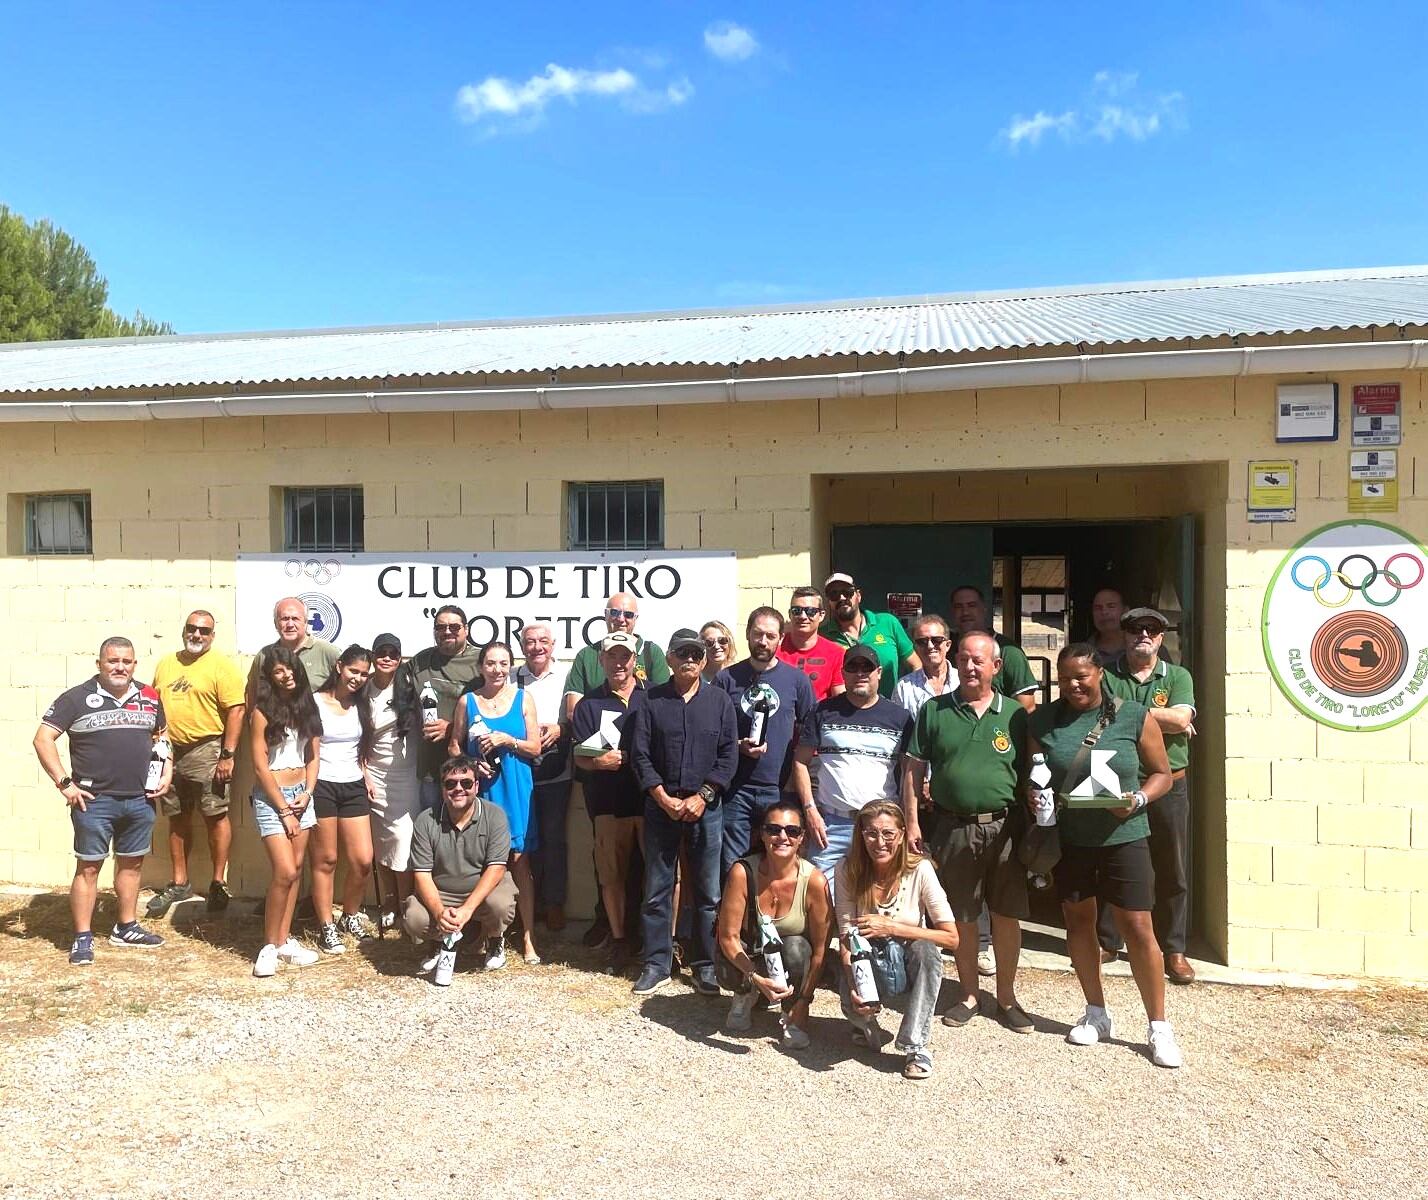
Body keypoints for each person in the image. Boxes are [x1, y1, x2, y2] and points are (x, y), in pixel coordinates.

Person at [1027, 642, 1182, 1068]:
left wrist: (1138, 800)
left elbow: (1163, 775)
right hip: (1072, 840)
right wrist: (1034, 798)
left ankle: (1158, 1026)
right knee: (1079, 923)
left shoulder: (1133, 715)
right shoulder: (1044, 720)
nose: (1073, 685)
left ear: (1100, 674)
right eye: (1064, 679)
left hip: (1124, 837)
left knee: (1138, 927)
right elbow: (1034, 776)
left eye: (1081, 676)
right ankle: (1096, 1012)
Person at [904, 633, 1033, 1033]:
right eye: (964, 659)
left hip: (1005, 828)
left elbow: (1031, 772)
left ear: (996, 666)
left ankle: (1007, 997)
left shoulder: (1016, 715)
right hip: (952, 827)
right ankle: (970, 995)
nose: (970, 667)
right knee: (961, 915)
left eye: (979, 660)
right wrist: (912, 822)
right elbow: (913, 770)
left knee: (1006, 914)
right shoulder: (934, 710)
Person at [34, 637, 171, 965]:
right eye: (112, 661)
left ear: (134, 665)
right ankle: (82, 936)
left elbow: (162, 736)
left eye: (126, 661)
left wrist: (167, 770)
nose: (119, 667)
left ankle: (126, 927)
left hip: (140, 799)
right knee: (89, 867)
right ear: (99, 664)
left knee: (132, 864)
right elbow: (42, 739)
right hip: (94, 802)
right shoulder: (76, 698)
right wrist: (64, 783)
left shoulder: (150, 696)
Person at [628, 629, 738, 997]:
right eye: (682, 653)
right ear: (670, 659)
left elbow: (728, 756)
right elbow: (640, 754)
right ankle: (657, 964)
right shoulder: (651, 700)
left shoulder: (720, 701)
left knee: (708, 893)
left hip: (706, 809)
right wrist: (661, 796)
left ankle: (705, 965)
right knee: (656, 890)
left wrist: (703, 796)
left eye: (696, 653)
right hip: (661, 808)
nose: (689, 659)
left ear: (704, 660)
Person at [1100, 607, 1199, 984]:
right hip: (1120, 781)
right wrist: (1163, 716)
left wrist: (1129, 713)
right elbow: (1102, 717)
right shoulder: (1107, 674)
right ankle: (1108, 941)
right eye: (1135, 629)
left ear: (1160, 637)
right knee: (1113, 861)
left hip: (1169, 784)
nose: (1143, 634)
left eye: (1152, 629)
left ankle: (1174, 949)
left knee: (1171, 867)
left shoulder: (1178, 676)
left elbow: (1181, 719)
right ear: (1124, 634)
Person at [835, 801, 957, 1080]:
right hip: (867, 957)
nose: (880, 842)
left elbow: (951, 938)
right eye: (871, 833)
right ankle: (864, 1019)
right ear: (861, 835)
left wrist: (892, 927)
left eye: (888, 834)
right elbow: (845, 936)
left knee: (927, 952)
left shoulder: (921, 870)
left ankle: (915, 1045)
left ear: (902, 835)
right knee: (853, 961)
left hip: (907, 956)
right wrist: (853, 985)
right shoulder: (847, 869)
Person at [790, 643, 913, 897]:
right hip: (831, 826)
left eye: (867, 668)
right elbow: (800, 762)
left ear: (879, 673)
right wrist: (810, 810)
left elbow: (910, 771)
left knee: (880, 898)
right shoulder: (822, 711)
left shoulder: (900, 718)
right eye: (853, 667)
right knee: (821, 898)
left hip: (881, 827)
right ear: (843, 673)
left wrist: (908, 821)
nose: (860, 673)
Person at [147, 610, 246, 917]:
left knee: (215, 816)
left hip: (207, 749)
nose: (197, 635)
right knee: (176, 816)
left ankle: (218, 883)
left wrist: (228, 755)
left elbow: (237, 710)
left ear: (212, 635)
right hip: (169, 751)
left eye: (204, 631)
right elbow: (154, 705)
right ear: (184, 631)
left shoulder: (221, 666)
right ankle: (180, 882)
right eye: (192, 629)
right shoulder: (166, 663)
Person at [449, 640, 542, 967]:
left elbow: (535, 747)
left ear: (510, 667)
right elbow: (454, 746)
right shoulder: (468, 701)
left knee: (520, 862)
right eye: (491, 663)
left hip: (516, 790)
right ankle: (488, 935)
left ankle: (528, 936)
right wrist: (471, 765)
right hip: (482, 793)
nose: (497, 670)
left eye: (503, 663)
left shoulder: (523, 699)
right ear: (481, 667)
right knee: (484, 863)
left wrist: (508, 740)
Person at [715, 800, 832, 1049]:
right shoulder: (742, 872)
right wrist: (755, 977)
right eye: (773, 829)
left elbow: (821, 950)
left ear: (802, 838)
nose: (782, 837)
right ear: (762, 834)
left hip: (790, 959)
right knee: (729, 957)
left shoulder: (814, 881)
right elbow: (727, 936)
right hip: (752, 955)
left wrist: (805, 1001)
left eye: (792, 831)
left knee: (798, 948)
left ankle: (791, 1010)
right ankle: (745, 992)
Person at [714, 607, 816, 879]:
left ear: (781, 638)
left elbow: (810, 732)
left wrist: (798, 778)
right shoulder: (725, 679)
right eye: (758, 634)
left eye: (770, 636)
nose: (763, 641)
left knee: (779, 864)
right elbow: (712, 733)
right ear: (747, 634)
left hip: (779, 788)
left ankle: (769, 909)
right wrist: (738, 745)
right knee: (733, 865)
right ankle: (737, 908)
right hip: (736, 789)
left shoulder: (797, 680)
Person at [570, 631, 650, 975]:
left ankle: (658, 943)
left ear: (635, 660)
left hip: (651, 802)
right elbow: (580, 755)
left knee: (657, 877)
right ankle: (619, 941)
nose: (619, 663)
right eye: (612, 656)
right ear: (601, 660)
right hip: (608, 804)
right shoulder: (589, 704)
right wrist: (598, 762)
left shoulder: (653, 697)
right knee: (611, 876)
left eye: (625, 656)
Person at [405, 755, 518, 976]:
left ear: (476, 785)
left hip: (484, 889)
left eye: (466, 783)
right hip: (442, 891)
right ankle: (438, 942)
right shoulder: (425, 820)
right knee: (415, 918)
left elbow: (496, 868)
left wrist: (467, 910)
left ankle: (495, 939)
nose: (458, 789)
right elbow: (422, 874)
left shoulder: (495, 815)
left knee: (500, 905)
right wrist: (439, 913)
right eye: (450, 784)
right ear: (442, 788)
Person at [247, 647, 322, 977]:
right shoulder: (262, 712)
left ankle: (283, 941)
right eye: (278, 671)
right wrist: (284, 810)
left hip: (301, 796)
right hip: (272, 797)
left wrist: (307, 794)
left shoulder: (307, 707)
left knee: (297, 870)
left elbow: (313, 757)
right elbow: (260, 766)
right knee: (285, 871)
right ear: (270, 677)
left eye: (290, 668)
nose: (286, 675)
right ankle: (268, 946)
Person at [310, 644, 377, 955]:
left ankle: (349, 915)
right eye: (353, 671)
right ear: (339, 667)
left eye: (364, 674)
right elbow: (307, 748)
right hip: (322, 784)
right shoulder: (315, 703)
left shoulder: (361, 705)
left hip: (353, 786)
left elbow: (360, 748)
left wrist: (366, 776)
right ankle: (326, 925)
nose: (358, 678)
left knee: (363, 860)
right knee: (326, 860)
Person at [396, 605, 482, 813]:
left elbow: (496, 710)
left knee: (469, 826)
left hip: (469, 770)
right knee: (432, 824)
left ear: (466, 629)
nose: (447, 631)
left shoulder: (481, 662)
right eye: (441, 627)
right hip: (431, 769)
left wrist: (452, 728)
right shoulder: (420, 661)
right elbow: (395, 676)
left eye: (454, 627)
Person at [516, 623, 572, 932]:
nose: (536, 647)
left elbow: (580, 716)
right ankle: (527, 904)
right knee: (523, 840)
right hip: (520, 769)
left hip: (556, 770)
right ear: (522, 646)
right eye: (530, 642)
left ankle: (554, 904)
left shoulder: (567, 677)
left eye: (543, 641)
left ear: (553, 645)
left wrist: (561, 728)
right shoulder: (511, 677)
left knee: (553, 839)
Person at [366, 632, 420, 935]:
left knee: (402, 839)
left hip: (407, 775)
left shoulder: (410, 687)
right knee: (381, 842)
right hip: (374, 773)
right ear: (373, 656)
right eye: (381, 653)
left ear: (400, 658)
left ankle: (405, 902)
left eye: (393, 654)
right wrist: (363, 772)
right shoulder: (363, 689)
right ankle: (388, 901)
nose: (387, 658)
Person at [563, 592, 671, 719]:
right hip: (595, 730)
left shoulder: (652, 653)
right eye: (614, 612)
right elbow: (573, 712)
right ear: (605, 614)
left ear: (636, 618)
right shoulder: (586, 655)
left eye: (628, 614)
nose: (621, 619)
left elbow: (664, 704)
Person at [820, 573, 917, 698]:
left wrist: (911, 698)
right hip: (844, 709)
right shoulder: (822, 635)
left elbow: (915, 665)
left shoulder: (888, 623)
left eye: (847, 592)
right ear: (829, 602)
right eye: (834, 594)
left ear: (858, 596)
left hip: (890, 707)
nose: (842, 598)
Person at [949, 585, 1039, 712]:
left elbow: (1027, 707)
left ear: (984, 609)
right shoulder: (944, 648)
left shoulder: (1008, 651)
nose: (965, 612)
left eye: (972, 605)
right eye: (959, 607)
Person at [246, 596, 341, 700]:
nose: (290, 624)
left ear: (305, 622)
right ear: (275, 623)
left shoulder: (328, 652)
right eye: (285, 619)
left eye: (295, 619)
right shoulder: (264, 655)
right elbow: (251, 693)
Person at [778, 586, 845, 701]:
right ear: (790, 614)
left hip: (820, 712)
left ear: (821, 615)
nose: (803, 617)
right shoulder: (775, 649)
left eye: (811, 611)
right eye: (796, 611)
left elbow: (840, 700)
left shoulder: (836, 653)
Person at [1091, 587, 1127, 666]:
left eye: (1111, 606)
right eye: (1098, 608)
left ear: (1125, 610)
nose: (1104, 612)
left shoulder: (1139, 646)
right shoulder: (1083, 653)